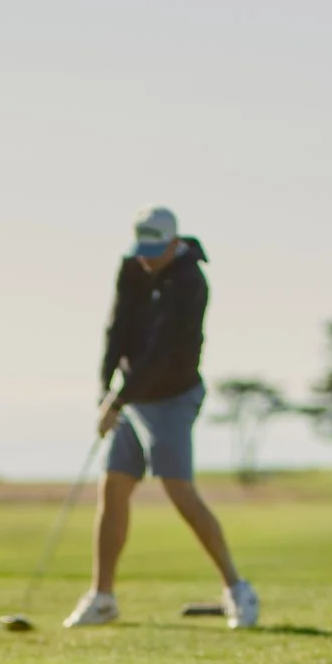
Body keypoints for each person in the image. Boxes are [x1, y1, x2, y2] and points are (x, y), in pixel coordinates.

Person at [65, 208, 260, 629]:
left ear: (174, 243)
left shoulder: (191, 282)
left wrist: (117, 401)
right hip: (132, 397)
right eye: (142, 252)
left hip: (172, 396)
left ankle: (238, 589)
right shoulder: (133, 268)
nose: (146, 260)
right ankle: (103, 597)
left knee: (178, 489)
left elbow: (163, 352)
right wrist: (106, 389)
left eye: (155, 252)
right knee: (113, 487)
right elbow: (116, 327)